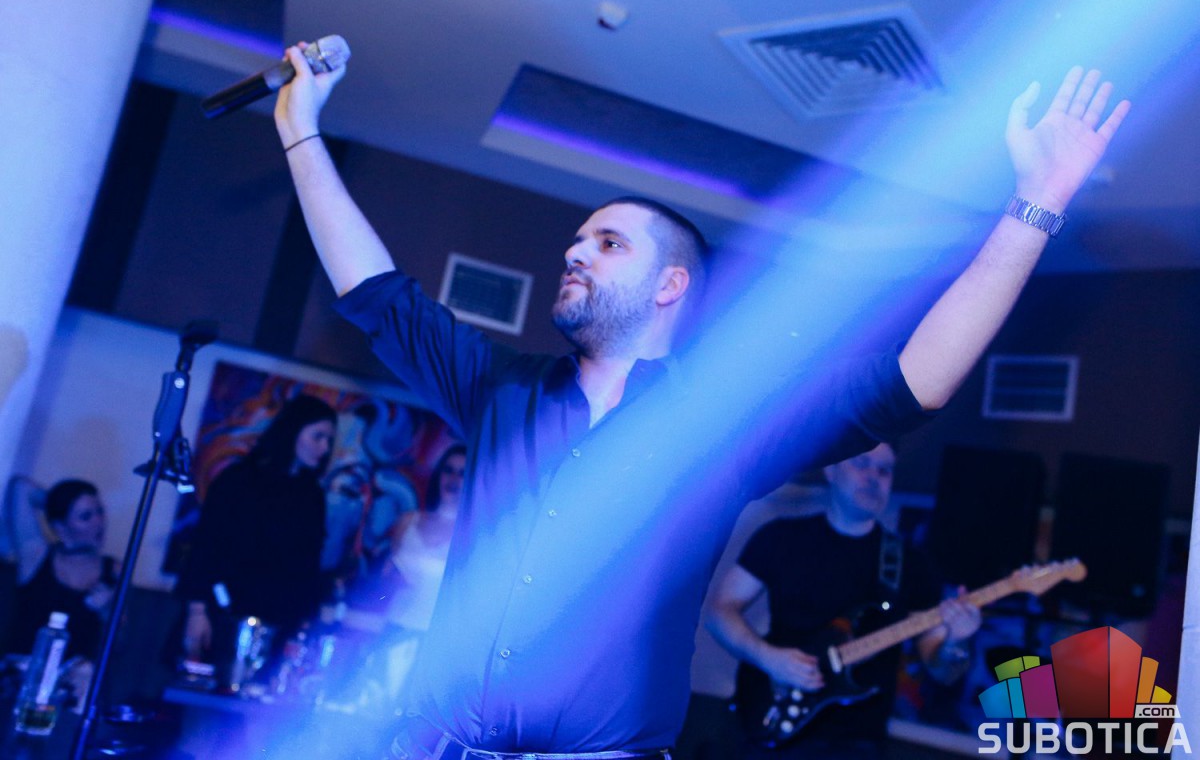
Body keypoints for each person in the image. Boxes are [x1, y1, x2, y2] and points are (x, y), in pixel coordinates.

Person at [273, 44, 1128, 759]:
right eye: (576, 241)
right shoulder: (501, 389)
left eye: (608, 243)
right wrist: (301, 129)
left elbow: (918, 378)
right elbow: (374, 294)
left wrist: (1038, 203)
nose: (575, 253)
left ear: (669, 285)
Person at [706, 444, 981, 759]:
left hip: (857, 744)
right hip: (767, 718)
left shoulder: (913, 564)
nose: (874, 477)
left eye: (885, 470)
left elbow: (944, 670)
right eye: (862, 464)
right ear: (831, 470)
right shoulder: (780, 537)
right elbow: (719, 610)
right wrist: (769, 659)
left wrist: (957, 641)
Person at [174, 393, 337, 661]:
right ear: (293, 430)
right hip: (224, 612)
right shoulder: (239, 480)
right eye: (317, 437)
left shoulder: (311, 495)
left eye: (329, 440)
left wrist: (304, 624)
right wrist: (197, 611)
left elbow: (308, 565)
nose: (324, 448)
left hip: (278, 622)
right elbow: (206, 547)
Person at [380, 444, 467, 702]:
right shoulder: (408, 521)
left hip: (434, 641)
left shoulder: (472, 534)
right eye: (449, 470)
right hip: (394, 629)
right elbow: (385, 578)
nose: (453, 479)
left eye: (462, 473)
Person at [7, 479, 119, 661]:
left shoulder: (112, 569)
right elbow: (20, 488)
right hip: (20, 671)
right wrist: (59, 503)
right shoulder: (36, 556)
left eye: (100, 511)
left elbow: (121, 643)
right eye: (86, 516)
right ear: (60, 527)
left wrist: (107, 611)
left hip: (72, 676)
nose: (99, 522)